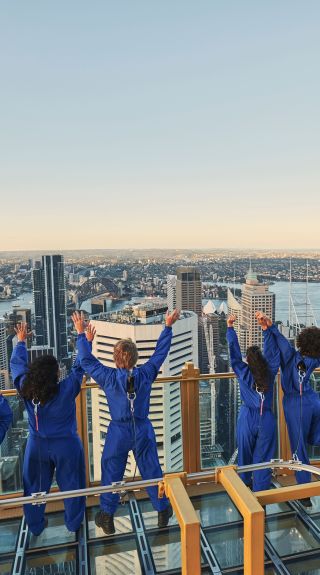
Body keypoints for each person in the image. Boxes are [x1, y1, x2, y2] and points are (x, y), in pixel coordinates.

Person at [72, 308, 180, 535]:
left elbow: (86, 361)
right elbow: (160, 353)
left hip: (119, 431)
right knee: (151, 469)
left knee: (112, 470)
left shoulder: (108, 377)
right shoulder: (146, 373)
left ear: (115, 358)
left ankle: (107, 516)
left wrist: (83, 336)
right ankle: (162, 510)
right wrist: (167, 326)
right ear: (135, 358)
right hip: (143, 428)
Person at [10, 322, 94, 535]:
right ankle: (74, 525)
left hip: (36, 445)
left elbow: (17, 367)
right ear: (56, 375)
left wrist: (21, 342)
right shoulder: (66, 390)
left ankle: (36, 526)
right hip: (66, 445)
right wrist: (83, 338)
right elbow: (79, 366)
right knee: (73, 486)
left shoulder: (26, 389)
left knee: (34, 489)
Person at [257, 313, 320, 507]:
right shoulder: (315, 360)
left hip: (296, 405)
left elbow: (282, 343)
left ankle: (304, 493)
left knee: (299, 448)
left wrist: (268, 327)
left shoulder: (291, 356)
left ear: (301, 342)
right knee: (316, 437)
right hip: (313, 400)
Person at [226, 312, 279, 491]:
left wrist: (230, 328)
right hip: (267, 419)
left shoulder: (243, 372)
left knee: (245, 456)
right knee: (263, 459)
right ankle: (261, 495)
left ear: (247, 361)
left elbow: (234, 354)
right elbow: (272, 353)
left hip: (247, 417)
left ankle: (245, 491)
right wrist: (265, 329)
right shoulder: (270, 371)